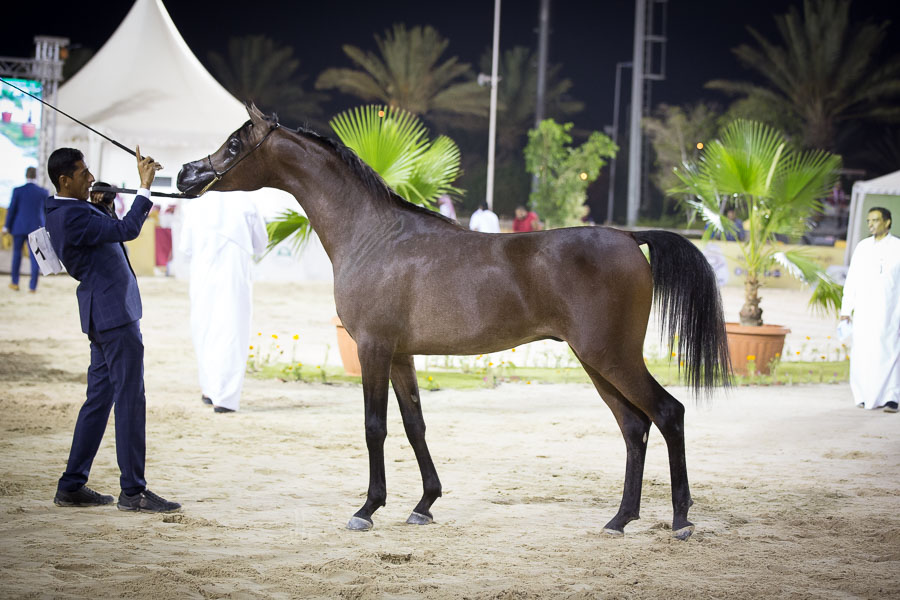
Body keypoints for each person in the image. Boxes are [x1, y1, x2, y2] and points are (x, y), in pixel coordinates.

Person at [45, 146, 180, 512]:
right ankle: (133, 491)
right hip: (113, 316)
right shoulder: (71, 216)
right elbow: (127, 230)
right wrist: (144, 186)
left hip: (104, 315)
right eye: (83, 173)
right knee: (130, 399)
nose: (90, 178)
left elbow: (105, 233)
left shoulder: (68, 208)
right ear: (64, 180)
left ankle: (72, 485)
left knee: (99, 401)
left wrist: (103, 204)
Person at [179, 193, 267, 413]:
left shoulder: (195, 203)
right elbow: (260, 244)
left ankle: (209, 389)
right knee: (232, 332)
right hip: (234, 274)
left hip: (202, 275)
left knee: (204, 330)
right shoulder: (246, 202)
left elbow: (186, 247)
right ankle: (225, 398)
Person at [840, 207, 900, 412]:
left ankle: (891, 397)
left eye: (875, 220)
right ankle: (864, 395)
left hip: (890, 311)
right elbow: (852, 280)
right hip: (864, 310)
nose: (871, 225)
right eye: (868, 221)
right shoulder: (863, 247)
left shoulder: (897, 247)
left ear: (887, 222)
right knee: (863, 352)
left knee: (889, 352)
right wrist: (846, 309)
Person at [3, 166, 48, 292]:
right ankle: (32, 287)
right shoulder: (43, 192)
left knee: (17, 255)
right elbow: (46, 212)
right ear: (36, 176)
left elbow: (12, 210)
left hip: (19, 227)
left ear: (26, 175)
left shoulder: (18, 190)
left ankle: (15, 283)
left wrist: (6, 226)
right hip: (36, 228)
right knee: (35, 257)